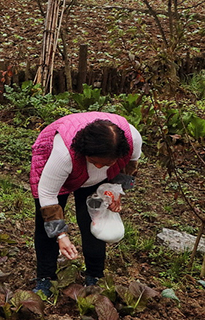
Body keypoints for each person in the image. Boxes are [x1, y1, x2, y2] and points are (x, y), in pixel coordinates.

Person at [29, 111, 141, 297]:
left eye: (105, 163)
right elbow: (47, 194)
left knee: (93, 220)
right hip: (54, 168)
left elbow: (130, 165)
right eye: (94, 162)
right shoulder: (62, 155)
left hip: (94, 177)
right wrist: (61, 235)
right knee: (45, 225)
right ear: (85, 153)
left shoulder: (133, 140)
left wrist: (116, 191)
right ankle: (45, 279)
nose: (99, 167)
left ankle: (95, 275)